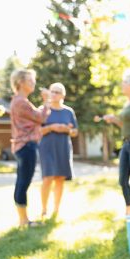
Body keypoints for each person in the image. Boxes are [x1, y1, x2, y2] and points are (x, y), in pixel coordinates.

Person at [100, 74, 130, 215]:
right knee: (122, 180)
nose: (122, 85)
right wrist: (114, 120)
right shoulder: (127, 103)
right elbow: (125, 125)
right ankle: (129, 211)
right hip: (125, 144)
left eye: (125, 82)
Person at [9, 69, 51, 227]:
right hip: (26, 145)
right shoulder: (21, 102)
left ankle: (23, 219)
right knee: (23, 182)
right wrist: (46, 101)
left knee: (22, 181)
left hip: (22, 145)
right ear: (20, 82)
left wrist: (43, 105)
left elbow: (35, 116)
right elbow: (40, 118)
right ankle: (24, 220)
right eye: (30, 80)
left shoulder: (19, 101)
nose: (33, 83)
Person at [38, 82, 78, 219]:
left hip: (63, 147)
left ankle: (56, 209)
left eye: (57, 92)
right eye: (52, 91)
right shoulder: (43, 110)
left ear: (63, 95)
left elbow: (75, 131)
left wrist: (67, 129)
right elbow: (37, 131)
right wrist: (51, 127)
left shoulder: (69, 112)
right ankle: (44, 209)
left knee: (60, 178)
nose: (54, 94)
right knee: (48, 178)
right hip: (47, 147)